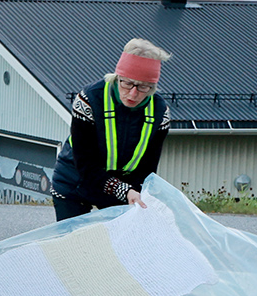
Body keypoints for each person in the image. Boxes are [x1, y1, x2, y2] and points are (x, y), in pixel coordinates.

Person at [52, 39, 173, 220]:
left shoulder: (159, 112)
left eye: (143, 87)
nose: (133, 94)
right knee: (73, 244)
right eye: (127, 83)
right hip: (75, 180)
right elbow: (85, 164)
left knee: (117, 244)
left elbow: (148, 168)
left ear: (152, 87)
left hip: (121, 186)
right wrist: (123, 190)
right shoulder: (89, 99)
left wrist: (135, 191)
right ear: (117, 77)